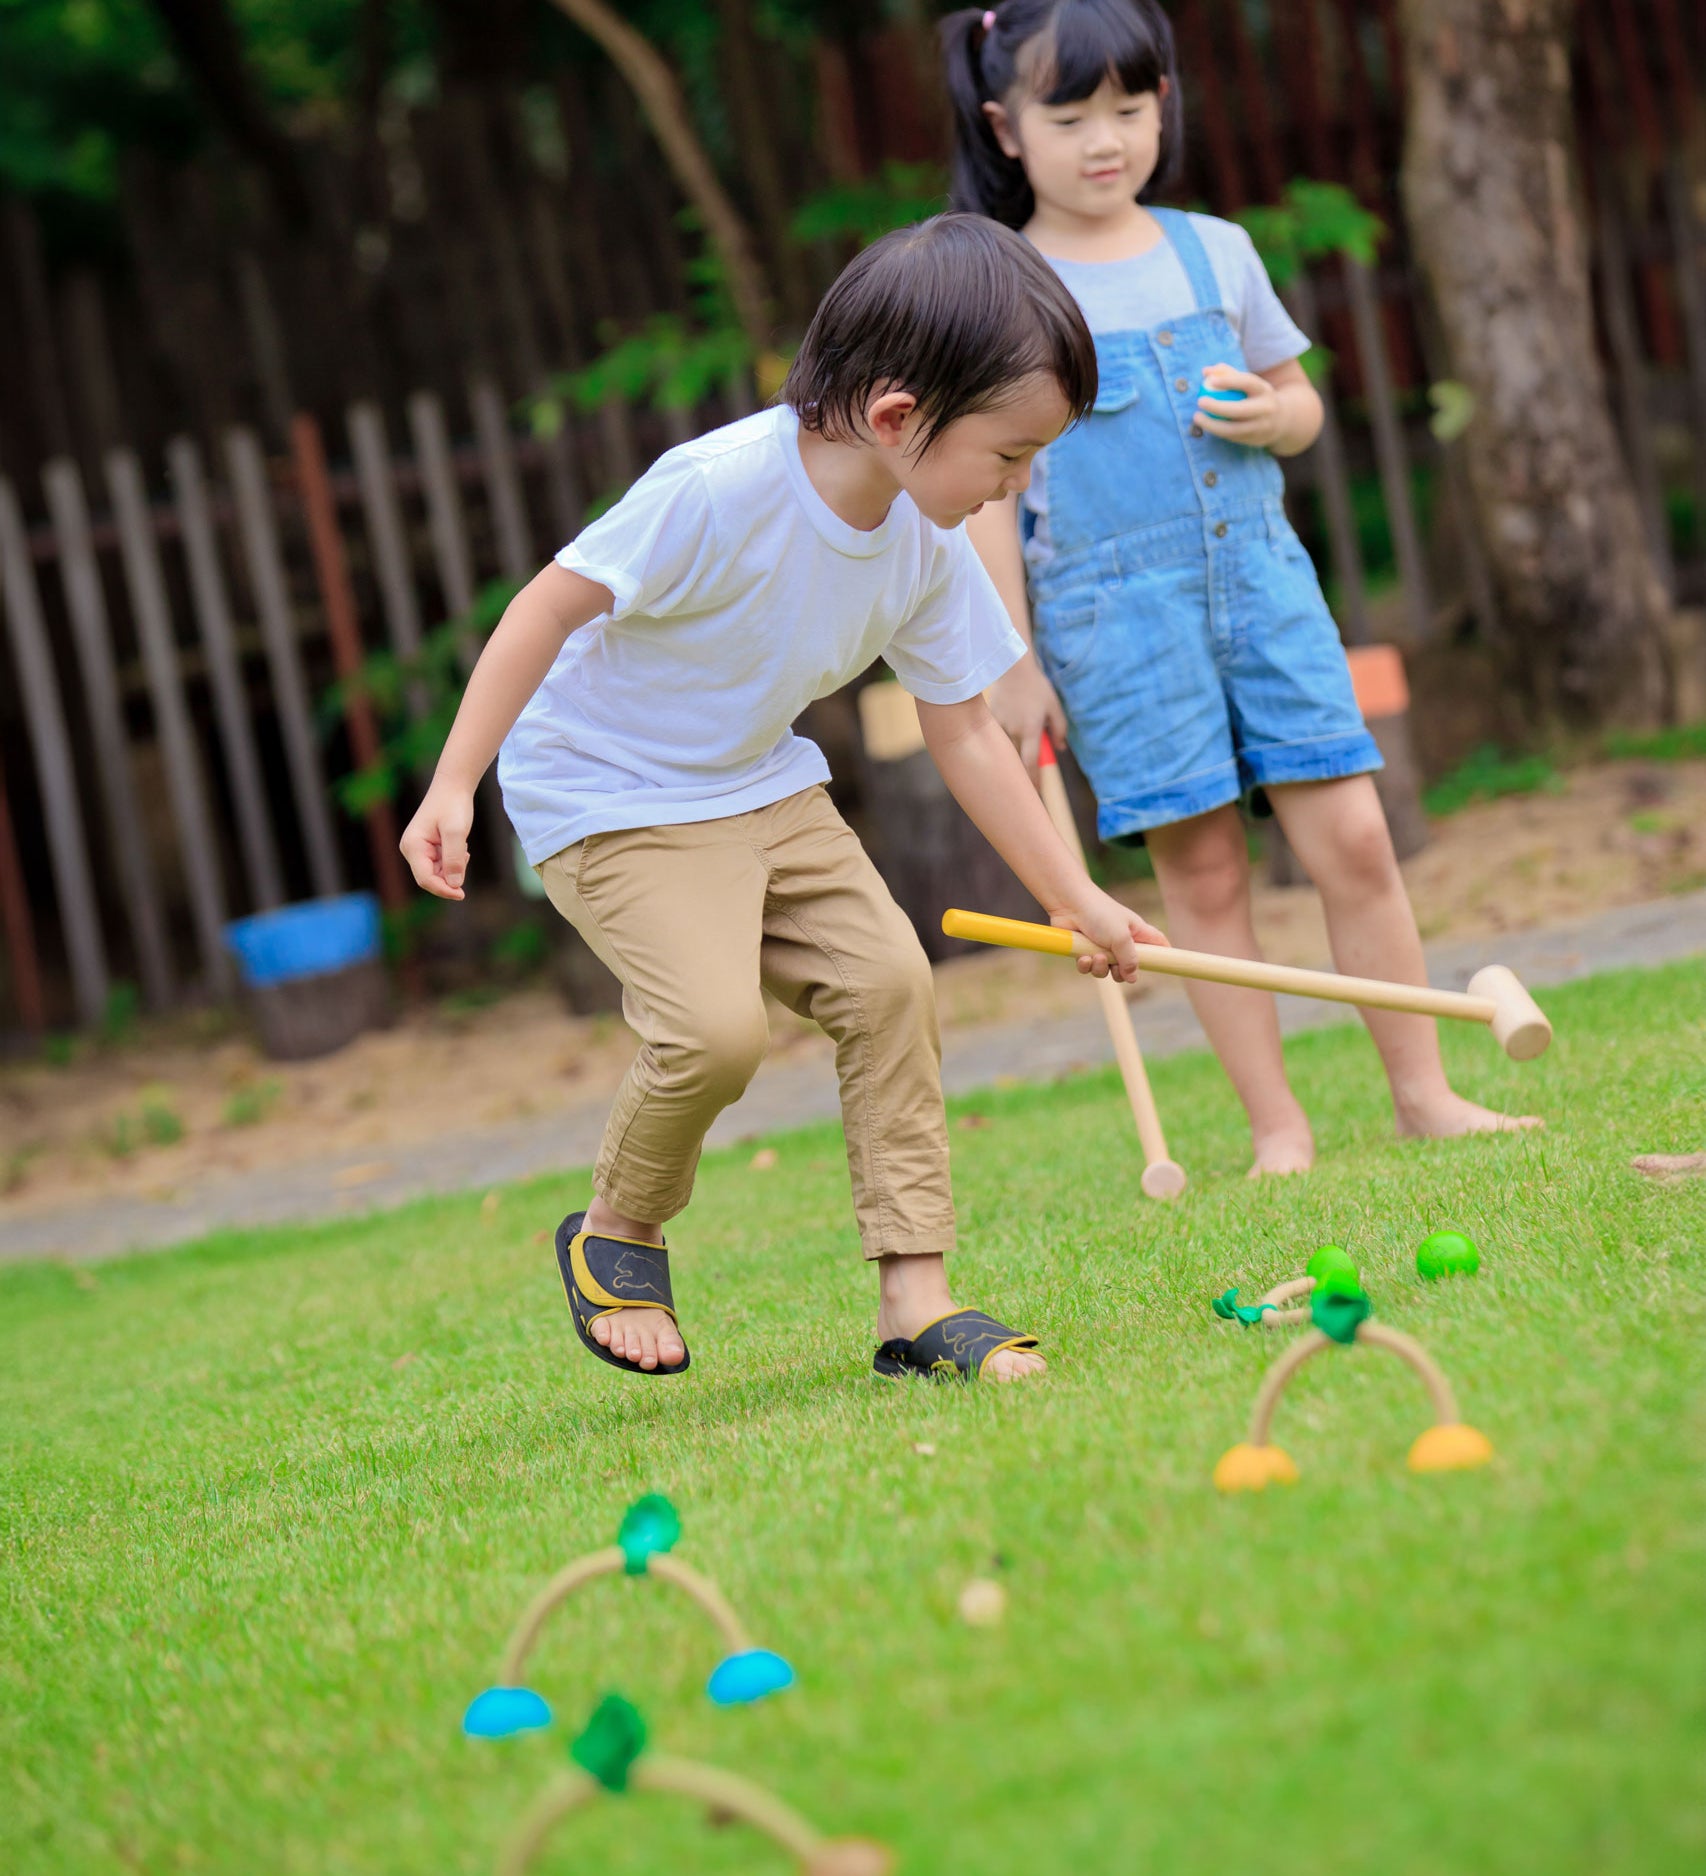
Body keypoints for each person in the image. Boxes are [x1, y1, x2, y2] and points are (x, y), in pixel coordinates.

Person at [399, 213, 1167, 1384]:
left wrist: (1076, 902)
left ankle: (914, 1297)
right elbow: (545, 608)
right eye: (1007, 457)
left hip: (759, 783)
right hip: (608, 794)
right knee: (712, 1033)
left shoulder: (923, 537)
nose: (1016, 486)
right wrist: (454, 782)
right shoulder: (713, 490)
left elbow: (962, 729)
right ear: (900, 418)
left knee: (889, 982)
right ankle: (620, 1225)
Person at [943, 0, 1538, 1176]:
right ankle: (1278, 1128)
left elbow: (1300, 404)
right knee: (1201, 871)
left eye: (1129, 106)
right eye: (1071, 116)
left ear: (1161, 102)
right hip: (1114, 620)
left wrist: (1281, 415)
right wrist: (1009, 664)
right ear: (1007, 129)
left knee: (1356, 840)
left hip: (1263, 587)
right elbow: (988, 497)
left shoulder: (1214, 247)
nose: (1105, 138)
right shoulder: (1008, 285)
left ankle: (1421, 1092)